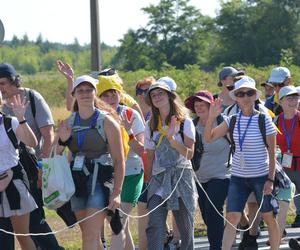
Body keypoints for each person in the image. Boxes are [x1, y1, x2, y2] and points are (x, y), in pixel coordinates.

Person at [204, 76, 280, 250]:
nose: (245, 97)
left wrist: (270, 179)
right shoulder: (232, 120)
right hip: (238, 176)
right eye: (240, 94)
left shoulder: (264, 119)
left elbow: (272, 152)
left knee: (269, 217)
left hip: (261, 176)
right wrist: (211, 117)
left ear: (255, 96)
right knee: (232, 217)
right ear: (235, 97)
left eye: (249, 93)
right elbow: (208, 138)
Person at [56, 75, 125, 250]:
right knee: (90, 236)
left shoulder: (107, 121)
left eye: (89, 90)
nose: (85, 94)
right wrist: (62, 142)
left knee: (89, 236)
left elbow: (118, 160)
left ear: (95, 93)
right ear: (74, 94)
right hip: (77, 182)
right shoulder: (68, 122)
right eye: (80, 90)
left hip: (100, 181)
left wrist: (116, 192)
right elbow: (54, 155)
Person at [0, 63, 63, 250]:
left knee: (33, 222)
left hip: (28, 166)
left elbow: (46, 135)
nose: (0, 88)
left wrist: (43, 165)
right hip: (13, 166)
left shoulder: (32, 98)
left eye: (2, 83)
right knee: (5, 234)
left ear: (13, 81)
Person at [144, 81, 198, 250]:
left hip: (181, 177)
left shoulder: (185, 122)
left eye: (160, 93)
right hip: (159, 179)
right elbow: (150, 155)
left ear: (169, 95)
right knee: (154, 223)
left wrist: (172, 140)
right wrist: (148, 181)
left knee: (185, 226)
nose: (157, 97)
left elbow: (190, 154)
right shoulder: (151, 125)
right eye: (153, 95)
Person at [97, 74, 145, 250]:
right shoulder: (97, 117)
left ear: (120, 94)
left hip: (131, 173)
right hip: (109, 176)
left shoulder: (131, 114)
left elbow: (142, 150)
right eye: (105, 95)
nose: (110, 99)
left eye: (114, 94)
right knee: (120, 225)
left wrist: (128, 131)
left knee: (118, 223)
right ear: (99, 97)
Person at [184, 90, 230, 250]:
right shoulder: (191, 125)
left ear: (211, 106)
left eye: (203, 104)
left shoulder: (224, 122)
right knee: (206, 214)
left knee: (213, 209)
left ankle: (216, 247)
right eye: (196, 105)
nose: (199, 108)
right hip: (198, 178)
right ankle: (223, 240)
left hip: (222, 175)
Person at [0, 92, 38, 250]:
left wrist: (22, 119)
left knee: (22, 235)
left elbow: (32, 142)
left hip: (14, 183)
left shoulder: (10, 122)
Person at [134, 76, 155, 250]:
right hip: (139, 167)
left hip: (156, 166)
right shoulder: (132, 113)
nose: (151, 94)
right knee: (143, 207)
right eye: (147, 90)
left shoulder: (158, 113)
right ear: (139, 94)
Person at [276, 86, 300, 229]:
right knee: (282, 201)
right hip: (283, 167)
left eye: (296, 97)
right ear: (281, 101)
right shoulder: (274, 121)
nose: (293, 101)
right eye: (289, 98)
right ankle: (279, 233)